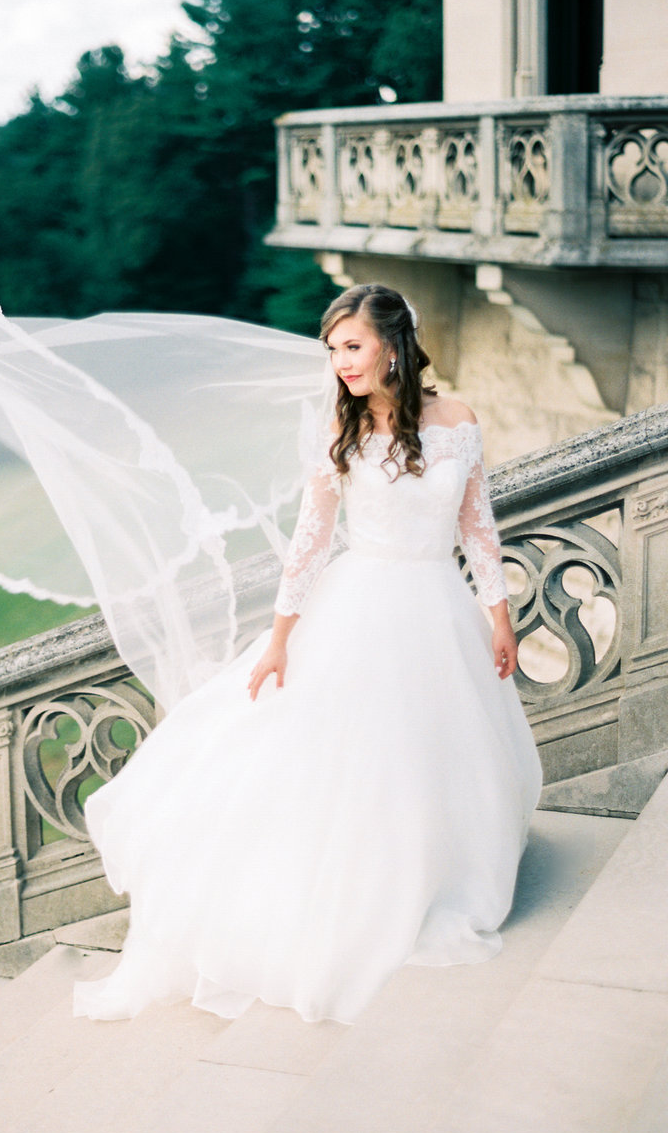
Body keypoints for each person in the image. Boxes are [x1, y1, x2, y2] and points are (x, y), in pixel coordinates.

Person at [72, 283, 543, 1025]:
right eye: (332, 350)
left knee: (436, 751)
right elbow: (310, 541)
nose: (340, 362)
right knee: (359, 758)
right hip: (359, 607)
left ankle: (439, 878)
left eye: (351, 346)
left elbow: (478, 526)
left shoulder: (458, 421)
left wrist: (500, 616)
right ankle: (364, 891)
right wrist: (283, 638)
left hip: (439, 608)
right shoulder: (339, 431)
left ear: (393, 345)